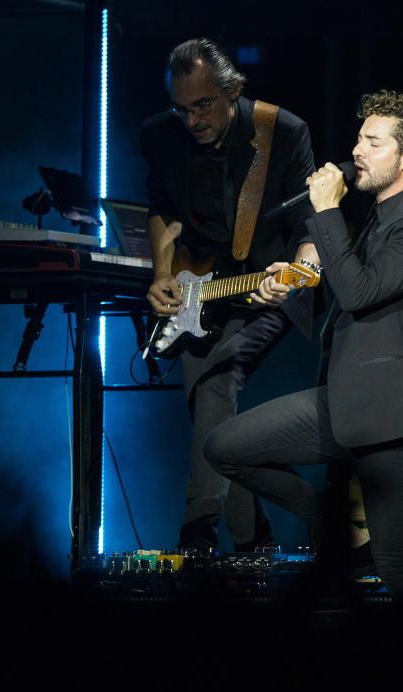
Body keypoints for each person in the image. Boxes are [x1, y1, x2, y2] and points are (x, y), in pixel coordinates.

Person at [204, 90, 403, 603]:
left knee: (402, 576)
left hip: (391, 417)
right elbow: (351, 279)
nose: (356, 151)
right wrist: (297, 277)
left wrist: (324, 211)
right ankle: (336, 525)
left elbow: (360, 291)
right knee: (225, 447)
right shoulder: (379, 216)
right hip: (342, 399)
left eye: (373, 141)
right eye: (358, 138)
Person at [140, 38, 318, 553]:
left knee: (215, 379)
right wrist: (160, 274)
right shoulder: (159, 136)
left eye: (203, 106)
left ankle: (198, 530)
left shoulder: (282, 131)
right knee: (211, 403)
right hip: (202, 289)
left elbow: (313, 228)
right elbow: (162, 210)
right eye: (181, 108)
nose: (191, 120)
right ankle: (254, 540)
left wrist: (298, 271)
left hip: (268, 288)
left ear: (233, 90)